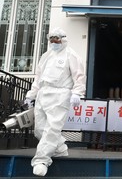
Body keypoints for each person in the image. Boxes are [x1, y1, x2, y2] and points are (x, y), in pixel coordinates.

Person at [24, 27, 86, 176]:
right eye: (51, 39)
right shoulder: (46, 56)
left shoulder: (71, 55)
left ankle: (41, 160)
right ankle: (59, 149)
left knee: (52, 129)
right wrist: (31, 95)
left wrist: (77, 93)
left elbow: (79, 76)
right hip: (43, 94)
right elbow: (38, 77)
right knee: (39, 129)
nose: (54, 42)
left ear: (63, 39)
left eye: (57, 39)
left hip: (60, 94)